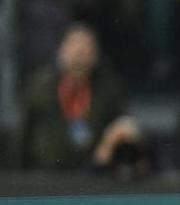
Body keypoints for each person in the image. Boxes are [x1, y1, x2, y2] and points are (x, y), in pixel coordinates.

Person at [13, 24, 127, 170]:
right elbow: (23, 134)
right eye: (75, 49)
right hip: (44, 177)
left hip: (94, 178)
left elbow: (123, 126)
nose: (79, 56)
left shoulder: (109, 88)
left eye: (86, 50)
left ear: (96, 55)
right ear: (61, 52)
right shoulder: (40, 85)